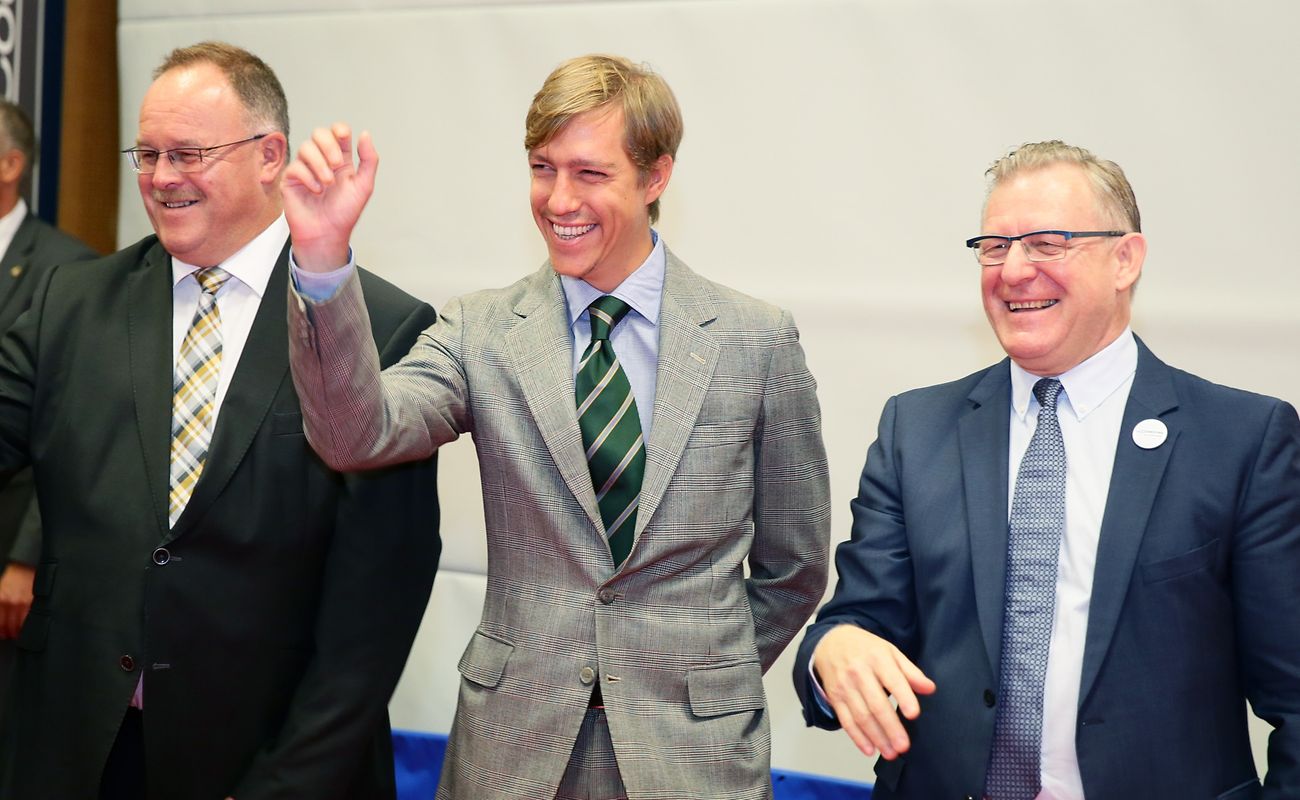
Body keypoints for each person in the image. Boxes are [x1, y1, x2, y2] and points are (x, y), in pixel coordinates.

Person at [282, 54, 831, 800]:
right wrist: (321, 258)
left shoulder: (754, 341)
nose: (558, 199)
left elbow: (794, 567)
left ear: (657, 176)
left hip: (693, 760)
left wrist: (702, 676)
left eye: (591, 173)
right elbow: (354, 435)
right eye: (543, 168)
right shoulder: (481, 331)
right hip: (513, 753)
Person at [0, 42, 441, 800]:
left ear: (270, 156)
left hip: (264, 762)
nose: (163, 178)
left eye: (189, 154)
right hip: (74, 753)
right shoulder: (69, 303)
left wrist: (289, 784)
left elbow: (378, 605)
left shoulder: (381, 328)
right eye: (147, 154)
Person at [794, 140, 1300, 799]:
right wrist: (831, 651)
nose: (1013, 271)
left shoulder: (1240, 440)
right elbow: (859, 622)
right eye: (995, 247)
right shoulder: (916, 431)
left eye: (1046, 244)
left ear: (1125, 260)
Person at [0, 99, 97, 730]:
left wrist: (27, 555)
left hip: (13, 540)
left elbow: (71, 425)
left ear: (10, 164)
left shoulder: (69, 269)